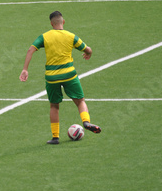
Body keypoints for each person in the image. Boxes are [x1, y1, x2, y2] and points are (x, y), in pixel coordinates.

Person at [19, 11, 101, 144]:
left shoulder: (45, 37)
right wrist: (88, 53)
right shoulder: (71, 36)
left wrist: (25, 69)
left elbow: (30, 50)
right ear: (63, 22)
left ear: (52, 24)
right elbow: (87, 49)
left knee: (54, 106)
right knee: (80, 101)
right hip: (69, 75)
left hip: (52, 78)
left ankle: (55, 137)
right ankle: (86, 122)